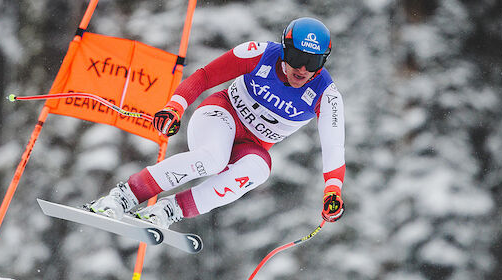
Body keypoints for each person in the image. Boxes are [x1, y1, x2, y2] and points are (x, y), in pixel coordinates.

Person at [89, 17, 346, 228]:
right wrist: (174, 107)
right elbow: (204, 77)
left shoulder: (327, 94)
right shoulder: (259, 54)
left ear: (323, 61)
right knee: (213, 159)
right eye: (296, 57)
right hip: (221, 115)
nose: (302, 69)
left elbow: (334, 147)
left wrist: (332, 191)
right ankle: (123, 196)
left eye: (313, 62)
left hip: (252, 145)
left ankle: (170, 209)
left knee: (259, 170)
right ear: (284, 49)